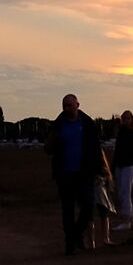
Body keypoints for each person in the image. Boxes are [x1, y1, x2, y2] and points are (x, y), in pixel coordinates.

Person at [49, 93, 98, 255]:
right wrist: (51, 141)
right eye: (64, 106)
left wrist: (98, 169)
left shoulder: (88, 123)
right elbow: (48, 149)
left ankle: (77, 233)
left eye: (70, 105)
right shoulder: (58, 125)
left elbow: (95, 148)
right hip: (65, 174)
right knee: (68, 210)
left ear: (77, 105)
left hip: (84, 173)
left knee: (88, 205)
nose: (67, 108)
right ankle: (70, 242)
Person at [111, 110, 133, 232]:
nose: (126, 121)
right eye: (124, 119)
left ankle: (127, 220)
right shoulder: (121, 133)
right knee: (122, 193)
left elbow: (129, 150)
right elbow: (117, 150)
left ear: (132, 120)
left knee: (125, 193)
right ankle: (130, 219)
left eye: (128, 118)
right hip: (120, 166)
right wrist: (113, 167)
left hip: (129, 166)